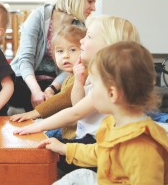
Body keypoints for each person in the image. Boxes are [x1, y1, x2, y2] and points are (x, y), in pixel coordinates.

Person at [40, 41, 168, 185]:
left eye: (93, 86)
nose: (91, 92)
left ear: (112, 94)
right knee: (79, 176)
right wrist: (65, 148)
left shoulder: (141, 148)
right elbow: (101, 152)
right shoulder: (112, 124)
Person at [14, 15, 140, 174]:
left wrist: (37, 125)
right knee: (45, 146)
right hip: (85, 137)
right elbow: (77, 104)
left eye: (88, 36)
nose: (81, 41)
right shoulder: (94, 74)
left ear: (108, 46)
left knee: (45, 151)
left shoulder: (109, 82)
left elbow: (74, 113)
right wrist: (79, 83)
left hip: (96, 144)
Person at [9, 0, 99, 111]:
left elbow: (74, 65)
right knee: (6, 85)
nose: (94, 8)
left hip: (55, 83)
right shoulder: (39, 15)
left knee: (72, 90)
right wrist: (36, 91)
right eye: (90, 1)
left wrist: (51, 89)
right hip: (27, 79)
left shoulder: (80, 26)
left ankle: (35, 111)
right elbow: (25, 59)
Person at [10, 24, 86, 140]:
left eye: (72, 50)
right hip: (69, 129)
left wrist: (33, 113)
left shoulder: (83, 74)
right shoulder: (70, 76)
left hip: (79, 135)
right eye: (60, 51)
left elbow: (64, 98)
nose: (65, 55)